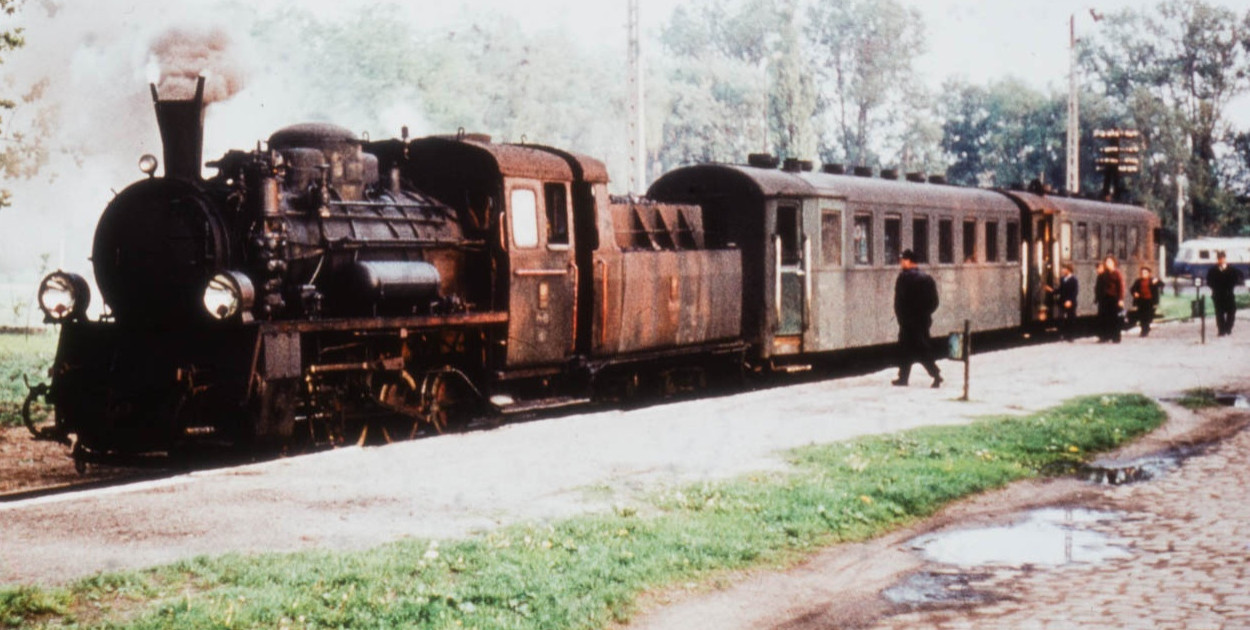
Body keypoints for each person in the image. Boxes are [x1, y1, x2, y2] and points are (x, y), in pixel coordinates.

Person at [892, 249, 942, 388]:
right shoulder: (926, 278)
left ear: (908, 261)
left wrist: (902, 317)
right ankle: (903, 377)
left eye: (902, 260)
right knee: (915, 348)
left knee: (913, 349)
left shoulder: (903, 278)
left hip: (907, 321)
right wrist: (925, 314)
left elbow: (899, 302)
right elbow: (934, 302)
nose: (901, 263)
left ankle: (935, 374)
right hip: (922, 320)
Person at [1206, 250, 1245, 336]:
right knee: (1219, 313)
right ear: (1217, 259)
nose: (1221, 260)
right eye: (1219, 259)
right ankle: (1221, 330)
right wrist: (1215, 288)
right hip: (1218, 294)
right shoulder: (1213, 271)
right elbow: (1209, 281)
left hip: (1229, 294)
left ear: (1225, 259)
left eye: (1222, 258)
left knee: (1231, 311)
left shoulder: (1231, 270)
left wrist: (1231, 285)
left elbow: (1237, 279)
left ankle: (1228, 327)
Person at [1094, 254, 1125, 343]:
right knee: (1104, 318)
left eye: (1110, 262)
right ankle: (1104, 336)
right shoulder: (1104, 274)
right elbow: (1099, 286)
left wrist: (1121, 299)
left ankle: (1116, 337)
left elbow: (1121, 287)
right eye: (1107, 262)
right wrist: (1098, 297)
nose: (1108, 264)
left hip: (1114, 298)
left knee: (1114, 318)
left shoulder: (1117, 273)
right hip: (1104, 298)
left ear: (1114, 263)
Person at [1130, 266, 1163, 337]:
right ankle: (1144, 330)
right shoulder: (1138, 281)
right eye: (1142, 273)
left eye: (1145, 273)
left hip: (1150, 301)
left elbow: (1162, 285)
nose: (1143, 274)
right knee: (1142, 316)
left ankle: (1146, 328)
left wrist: (1157, 281)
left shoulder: (1152, 280)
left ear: (1149, 273)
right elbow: (1132, 289)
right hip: (1141, 301)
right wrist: (1135, 293)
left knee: (1148, 316)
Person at [1054, 262, 1079, 341]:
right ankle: (1062, 334)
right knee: (1061, 318)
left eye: (1064, 268)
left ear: (1069, 269)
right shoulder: (1062, 279)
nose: (1062, 270)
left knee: (1070, 319)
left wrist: (1070, 301)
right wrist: (1052, 291)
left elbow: (1075, 292)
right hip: (1062, 301)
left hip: (1070, 302)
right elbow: (1060, 290)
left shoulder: (1074, 280)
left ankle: (1070, 336)